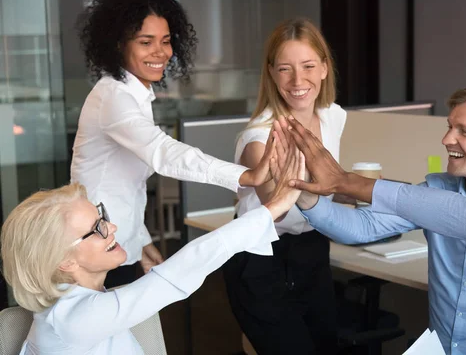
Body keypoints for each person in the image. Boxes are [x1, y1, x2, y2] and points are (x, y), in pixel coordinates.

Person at [292, 86, 466, 354]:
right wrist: (303, 193)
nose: (446, 139)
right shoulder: (435, 190)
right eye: (449, 127)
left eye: (463, 131)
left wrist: (345, 182)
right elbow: (360, 227)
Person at [0, 142, 305, 355]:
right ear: (64, 261)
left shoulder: (76, 305)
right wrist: (272, 208)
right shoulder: (74, 320)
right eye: (96, 229)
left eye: (102, 216)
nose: (112, 228)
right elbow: (179, 272)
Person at [72, 0, 275, 288]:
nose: (160, 52)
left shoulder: (134, 94)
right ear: (118, 44)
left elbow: (125, 186)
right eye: (146, 42)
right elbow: (163, 152)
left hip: (114, 242)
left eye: (166, 41)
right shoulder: (114, 97)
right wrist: (245, 176)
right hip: (93, 249)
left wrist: (140, 239)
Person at [222, 18, 346, 355]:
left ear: (324, 67)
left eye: (308, 66)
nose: (297, 80)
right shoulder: (259, 139)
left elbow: (330, 185)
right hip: (261, 258)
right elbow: (275, 211)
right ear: (272, 73)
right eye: (285, 69)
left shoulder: (333, 116)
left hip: (313, 251)